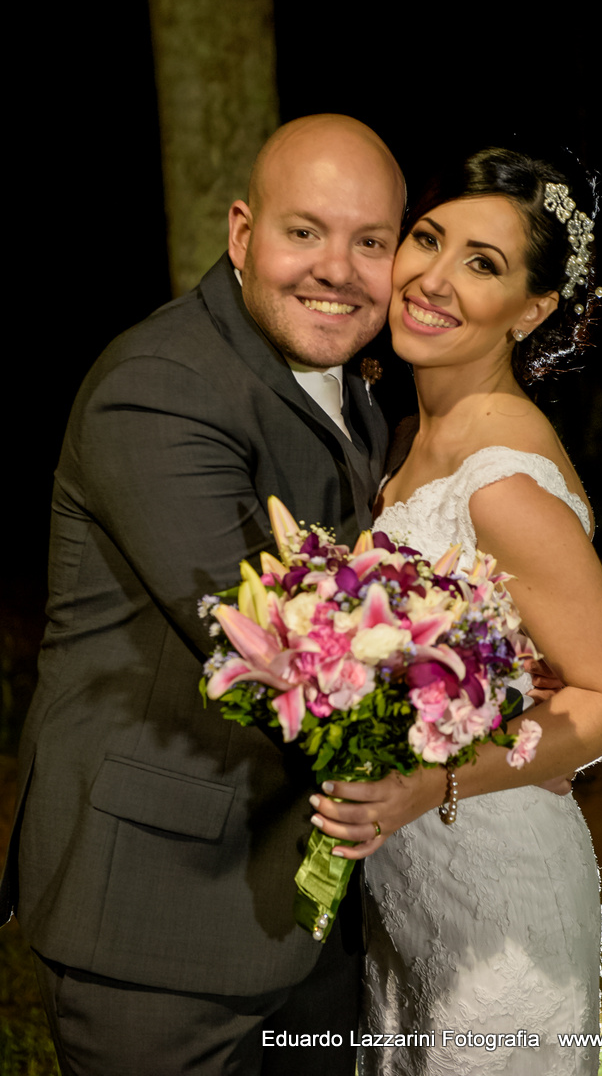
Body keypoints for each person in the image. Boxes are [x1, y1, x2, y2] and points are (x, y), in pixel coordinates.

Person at [0, 114, 407, 1075]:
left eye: (370, 242)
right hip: (158, 912)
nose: (336, 269)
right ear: (239, 234)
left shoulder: (352, 387)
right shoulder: (160, 387)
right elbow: (272, 648)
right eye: (303, 231)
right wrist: (478, 723)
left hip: (304, 908)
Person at [306, 147, 602, 1075]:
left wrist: (432, 785)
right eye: (428, 239)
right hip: (410, 880)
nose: (433, 278)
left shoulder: (500, 479)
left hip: (495, 885)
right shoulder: (414, 432)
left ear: (532, 312)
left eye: (483, 264)